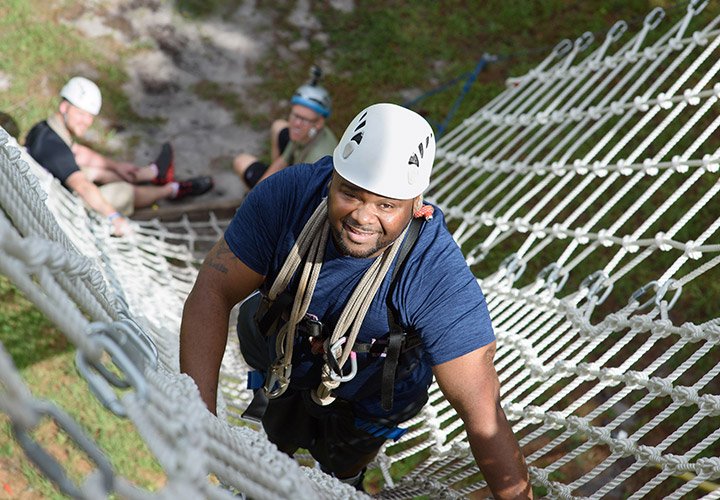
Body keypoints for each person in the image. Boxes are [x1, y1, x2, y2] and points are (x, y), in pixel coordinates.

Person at [180, 103, 532, 497]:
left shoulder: (432, 269)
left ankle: (343, 482)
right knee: (275, 439)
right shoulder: (289, 197)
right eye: (350, 193)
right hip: (285, 360)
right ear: (333, 175)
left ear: (418, 205)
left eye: (386, 205)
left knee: (341, 466)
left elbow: (482, 411)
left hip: (373, 390)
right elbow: (213, 290)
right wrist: (201, 425)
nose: (363, 217)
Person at [25, 76, 214, 236]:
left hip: (51, 186)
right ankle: (171, 190)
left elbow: (77, 152)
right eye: (81, 114)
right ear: (65, 107)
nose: (87, 121)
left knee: (100, 172)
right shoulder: (54, 148)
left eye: (90, 116)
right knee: (123, 192)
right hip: (63, 210)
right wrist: (113, 216)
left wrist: (114, 166)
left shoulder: (44, 130)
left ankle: (150, 175)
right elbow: (81, 186)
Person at [233, 67, 338, 189]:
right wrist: (258, 190)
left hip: (300, 193)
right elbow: (283, 160)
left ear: (318, 123)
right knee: (278, 126)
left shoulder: (317, 164)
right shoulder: (305, 134)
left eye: (304, 119)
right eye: (295, 115)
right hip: (296, 171)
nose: (296, 124)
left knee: (241, 162)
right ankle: (274, 181)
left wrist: (257, 201)